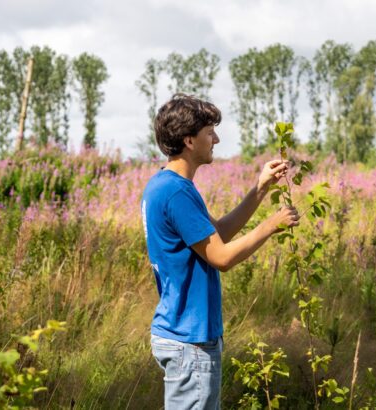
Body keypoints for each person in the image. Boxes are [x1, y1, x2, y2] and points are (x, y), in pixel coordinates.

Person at [141, 93, 299, 409]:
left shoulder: (170, 185)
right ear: (188, 140)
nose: (216, 138)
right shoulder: (175, 194)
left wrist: (261, 187)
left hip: (184, 335)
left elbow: (219, 235)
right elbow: (221, 257)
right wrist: (272, 225)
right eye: (209, 132)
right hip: (189, 341)